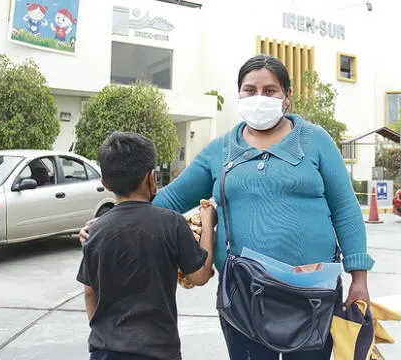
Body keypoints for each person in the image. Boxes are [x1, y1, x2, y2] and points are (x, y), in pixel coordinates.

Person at [80, 55, 375, 360]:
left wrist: (359, 279)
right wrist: (105, 223)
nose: (259, 98)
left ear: (287, 97)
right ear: (239, 95)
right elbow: (163, 201)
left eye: (270, 90)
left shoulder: (315, 141)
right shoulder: (219, 150)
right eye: (250, 90)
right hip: (244, 296)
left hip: (313, 294)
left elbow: (345, 209)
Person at [77, 132, 216, 360]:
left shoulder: (95, 231)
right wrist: (208, 221)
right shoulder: (171, 222)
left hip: (105, 351)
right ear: (151, 178)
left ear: (105, 184)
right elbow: (199, 276)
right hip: (158, 351)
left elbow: (90, 292)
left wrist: (103, 333)